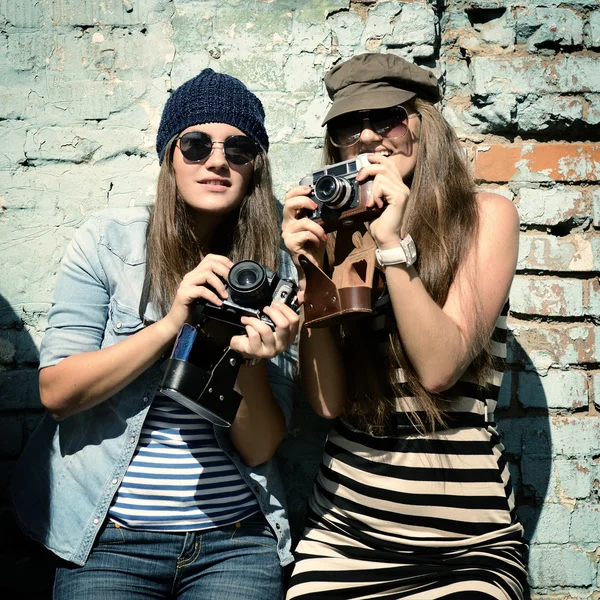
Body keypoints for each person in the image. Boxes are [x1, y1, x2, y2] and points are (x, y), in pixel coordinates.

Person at [11, 68, 299, 600]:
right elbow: (57, 393)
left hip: (235, 539)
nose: (217, 160)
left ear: (255, 167)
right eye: (196, 144)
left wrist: (250, 362)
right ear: (170, 158)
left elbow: (259, 448)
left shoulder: (275, 269)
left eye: (238, 148)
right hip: (107, 540)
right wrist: (171, 326)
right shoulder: (108, 242)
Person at [282, 53, 527, 599]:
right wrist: (312, 273)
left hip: (466, 545)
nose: (367, 135)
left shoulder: (483, 217)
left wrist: (393, 245)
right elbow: (325, 404)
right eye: (348, 125)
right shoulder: (335, 236)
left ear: (423, 123)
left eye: (386, 117)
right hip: (344, 535)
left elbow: (439, 368)